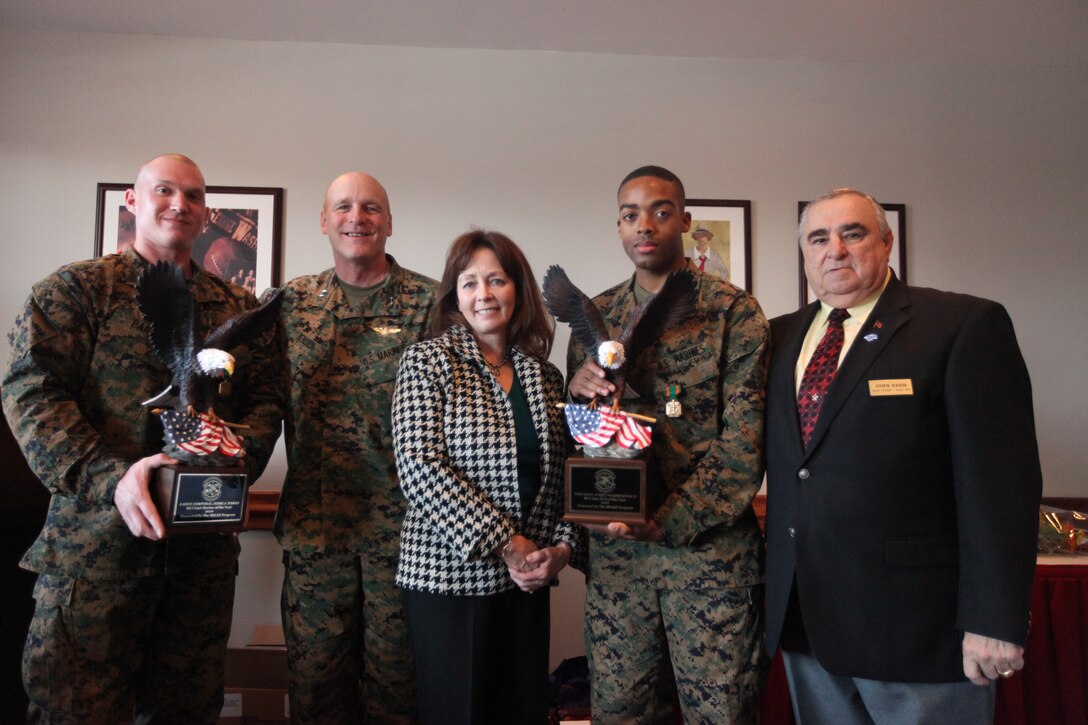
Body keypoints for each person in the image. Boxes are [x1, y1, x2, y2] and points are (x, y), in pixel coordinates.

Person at [1, 154, 283, 723]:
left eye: (194, 196)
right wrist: (113, 481)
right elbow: (31, 392)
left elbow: (266, 401)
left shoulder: (237, 307)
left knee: (185, 711)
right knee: (75, 710)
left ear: (207, 213)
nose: (179, 204)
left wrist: (235, 452)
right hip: (94, 554)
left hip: (197, 564)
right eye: (164, 190)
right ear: (133, 200)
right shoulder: (75, 290)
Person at [764, 188, 1043, 723]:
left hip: (919, 627)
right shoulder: (775, 338)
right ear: (804, 254)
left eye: (853, 233)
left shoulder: (961, 325)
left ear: (887, 241)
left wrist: (996, 617)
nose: (835, 250)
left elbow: (1001, 486)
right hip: (807, 622)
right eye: (818, 238)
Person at [567, 165, 770, 723]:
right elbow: (580, 439)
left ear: (684, 219)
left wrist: (668, 523)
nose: (645, 226)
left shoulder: (734, 312)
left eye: (660, 211)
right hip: (619, 560)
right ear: (618, 226)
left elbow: (744, 444)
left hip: (708, 558)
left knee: (719, 715)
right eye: (630, 215)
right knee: (620, 713)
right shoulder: (597, 315)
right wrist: (579, 390)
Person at [392, 229, 585, 725]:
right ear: (454, 295)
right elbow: (420, 467)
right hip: (449, 578)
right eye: (470, 282)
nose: (484, 294)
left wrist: (561, 550)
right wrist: (507, 541)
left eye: (496, 280)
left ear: (517, 288)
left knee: (521, 710)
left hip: (529, 580)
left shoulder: (544, 376)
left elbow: (566, 474)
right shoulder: (427, 361)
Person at [275, 171, 437, 724]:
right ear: (323, 221)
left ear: (389, 223)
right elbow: (252, 400)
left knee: (400, 691)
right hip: (316, 533)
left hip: (408, 536)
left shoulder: (433, 303)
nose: (357, 217)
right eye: (342, 206)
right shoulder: (290, 304)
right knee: (316, 690)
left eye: (371, 208)